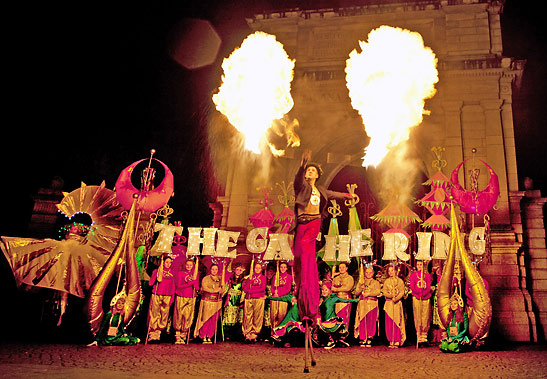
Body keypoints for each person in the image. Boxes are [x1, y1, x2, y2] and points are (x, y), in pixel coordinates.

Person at [292, 150, 354, 325]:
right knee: (302, 257)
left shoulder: (320, 190)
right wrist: (302, 164)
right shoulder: (301, 186)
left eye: (313, 171)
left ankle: (310, 294)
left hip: (314, 223)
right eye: (308, 171)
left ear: (318, 175)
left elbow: (333, 193)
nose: (310, 172)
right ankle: (304, 295)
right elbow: (297, 178)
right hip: (302, 223)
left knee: (309, 256)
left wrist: (347, 195)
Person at [316, 282, 359, 349]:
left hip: (331, 320)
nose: (324, 291)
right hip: (324, 320)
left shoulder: (332, 299)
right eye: (323, 290)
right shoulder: (321, 300)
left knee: (328, 329)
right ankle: (331, 340)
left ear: (329, 291)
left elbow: (344, 300)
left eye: (326, 290)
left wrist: (356, 300)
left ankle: (333, 341)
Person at [147, 255, 175, 343]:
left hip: (167, 295)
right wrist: (156, 277)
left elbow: (173, 285)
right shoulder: (157, 271)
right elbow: (150, 283)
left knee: (164, 314)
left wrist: (172, 297)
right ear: (163, 262)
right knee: (154, 312)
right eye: (167, 262)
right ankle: (152, 333)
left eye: (170, 263)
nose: (168, 264)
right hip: (157, 293)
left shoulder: (172, 272)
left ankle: (158, 333)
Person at [194, 264, 224, 343]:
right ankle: (203, 335)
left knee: (213, 320)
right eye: (213, 269)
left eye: (216, 269)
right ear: (210, 270)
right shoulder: (206, 278)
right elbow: (205, 288)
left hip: (217, 302)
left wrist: (222, 290)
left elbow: (223, 289)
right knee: (205, 319)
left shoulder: (220, 279)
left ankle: (209, 336)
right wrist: (215, 290)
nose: (214, 271)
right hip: (207, 301)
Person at [353, 265, 381, 347]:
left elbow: (378, 292)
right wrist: (361, 288)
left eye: (370, 272)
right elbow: (356, 293)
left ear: (373, 273)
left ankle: (370, 337)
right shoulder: (361, 282)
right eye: (367, 272)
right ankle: (362, 337)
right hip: (362, 304)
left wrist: (369, 294)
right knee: (362, 320)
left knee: (371, 320)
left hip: (372, 304)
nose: (368, 274)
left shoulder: (376, 283)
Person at [173, 259, 199, 344]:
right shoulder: (180, 273)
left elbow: (197, 287)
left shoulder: (195, 274)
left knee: (188, 315)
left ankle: (184, 333)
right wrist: (189, 283)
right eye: (187, 265)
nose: (189, 267)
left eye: (190, 265)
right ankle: (177, 333)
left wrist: (194, 283)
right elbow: (178, 285)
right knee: (179, 314)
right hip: (181, 295)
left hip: (191, 296)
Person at [382, 264, 406, 348]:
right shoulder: (386, 281)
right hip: (388, 303)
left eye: (392, 270)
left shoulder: (400, 281)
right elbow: (384, 292)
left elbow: (402, 292)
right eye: (389, 271)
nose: (390, 272)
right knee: (389, 322)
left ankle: (397, 339)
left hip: (396, 303)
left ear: (396, 271)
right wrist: (390, 295)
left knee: (396, 322)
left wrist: (396, 298)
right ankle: (390, 339)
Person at [242, 262, 267, 343]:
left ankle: (255, 333)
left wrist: (251, 290)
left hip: (259, 299)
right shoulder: (249, 277)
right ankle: (247, 333)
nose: (257, 269)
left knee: (257, 316)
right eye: (256, 268)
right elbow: (245, 290)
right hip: (249, 298)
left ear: (261, 269)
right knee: (247, 315)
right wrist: (249, 281)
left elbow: (262, 288)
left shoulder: (263, 278)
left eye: (259, 268)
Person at [410, 260, 433, 346]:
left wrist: (424, 294)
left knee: (425, 316)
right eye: (418, 265)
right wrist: (418, 294)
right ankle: (418, 335)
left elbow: (428, 287)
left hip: (425, 298)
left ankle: (424, 335)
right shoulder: (413, 276)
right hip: (417, 297)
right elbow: (412, 286)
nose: (419, 266)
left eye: (421, 265)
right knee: (418, 316)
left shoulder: (427, 276)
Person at [222, 262, 245, 341]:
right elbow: (226, 288)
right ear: (234, 270)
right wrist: (221, 295)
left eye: (240, 270)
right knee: (228, 317)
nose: (238, 271)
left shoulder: (243, 280)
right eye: (237, 270)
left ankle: (236, 335)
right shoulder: (230, 279)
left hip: (239, 299)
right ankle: (227, 334)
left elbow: (244, 290)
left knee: (237, 317)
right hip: (231, 299)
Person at [332, 261, 354, 336]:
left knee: (344, 317)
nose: (341, 269)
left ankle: (344, 335)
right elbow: (332, 288)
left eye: (343, 267)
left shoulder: (349, 278)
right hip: (337, 300)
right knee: (337, 318)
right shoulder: (336, 278)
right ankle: (337, 335)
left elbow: (347, 288)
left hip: (345, 299)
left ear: (346, 268)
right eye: (340, 267)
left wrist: (337, 289)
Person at [270, 261, 293, 329]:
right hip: (275, 297)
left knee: (281, 315)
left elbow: (288, 289)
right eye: (281, 267)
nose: (282, 268)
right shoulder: (275, 276)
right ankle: (273, 331)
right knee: (273, 315)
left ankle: (279, 331)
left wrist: (279, 294)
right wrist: (274, 293)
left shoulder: (289, 277)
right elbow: (272, 287)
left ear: (286, 268)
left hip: (283, 298)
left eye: (284, 267)